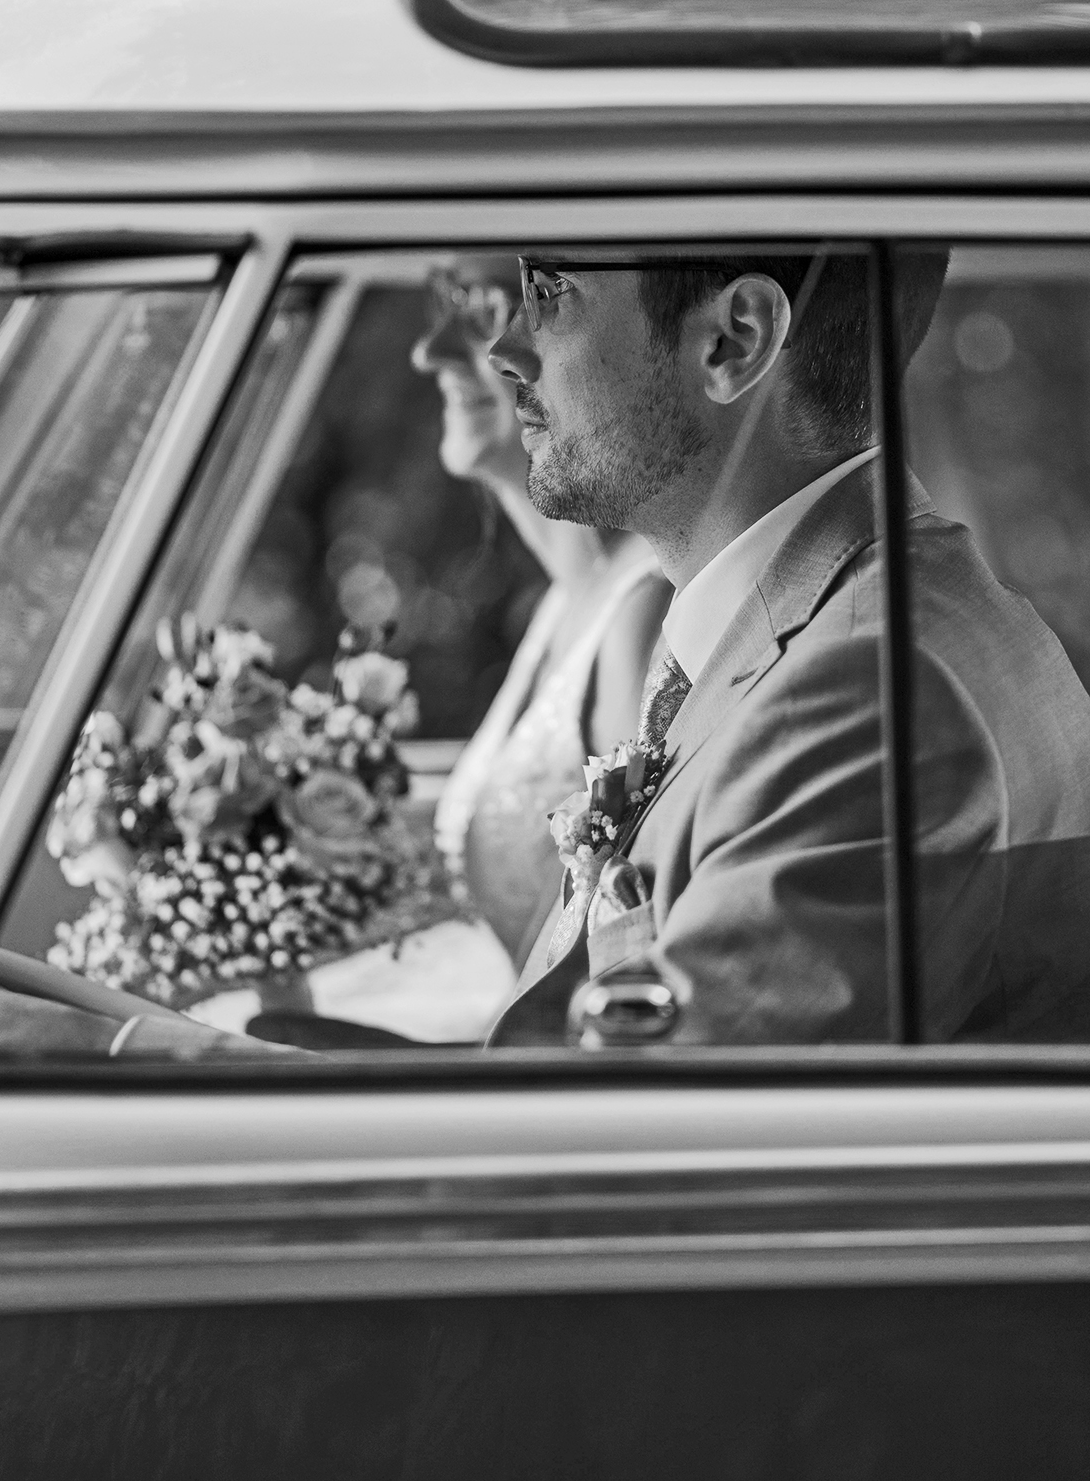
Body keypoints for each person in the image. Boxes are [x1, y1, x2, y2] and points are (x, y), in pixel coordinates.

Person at [486, 249, 1090, 1045]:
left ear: (734, 339)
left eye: (549, 291)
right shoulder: (830, 627)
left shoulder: (864, 692)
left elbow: (670, 1108)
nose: (505, 349)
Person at [410, 257, 670, 970]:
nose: (430, 351)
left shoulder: (642, 618)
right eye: (445, 306)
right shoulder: (561, 603)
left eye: (484, 308)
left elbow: (619, 932)